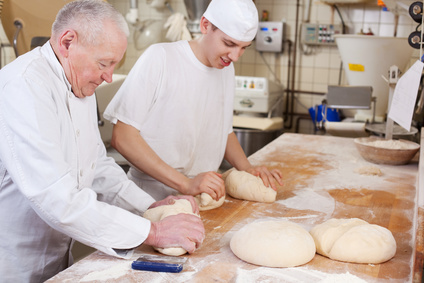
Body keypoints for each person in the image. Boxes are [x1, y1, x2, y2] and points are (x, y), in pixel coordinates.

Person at [0, 1, 204, 282]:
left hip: (59, 260)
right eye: (104, 63)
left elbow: (95, 166)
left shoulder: (79, 82)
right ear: (68, 42)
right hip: (14, 265)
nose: (108, 76)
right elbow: (56, 199)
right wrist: (153, 232)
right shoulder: (23, 88)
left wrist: (148, 206)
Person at [104, 0, 283, 202]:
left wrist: (248, 169)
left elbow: (224, 131)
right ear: (205, 25)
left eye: (243, 48)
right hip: (149, 198)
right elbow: (122, 137)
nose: (235, 56)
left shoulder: (226, 69)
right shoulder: (161, 58)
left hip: (203, 196)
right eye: (229, 43)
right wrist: (185, 183)